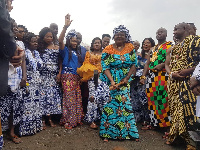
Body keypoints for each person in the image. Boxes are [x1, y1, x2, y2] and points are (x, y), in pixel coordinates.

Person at [99, 25, 139, 142]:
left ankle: (130, 133)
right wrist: (112, 82)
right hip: (111, 78)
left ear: (126, 36)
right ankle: (108, 134)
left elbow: (133, 64)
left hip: (125, 80)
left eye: (122, 34)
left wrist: (127, 78)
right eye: (117, 34)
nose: (119, 36)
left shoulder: (130, 47)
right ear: (114, 36)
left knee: (124, 104)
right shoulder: (108, 49)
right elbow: (105, 67)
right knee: (110, 104)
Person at [165, 22, 200, 150]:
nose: (173, 31)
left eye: (176, 29)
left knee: (186, 110)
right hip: (173, 81)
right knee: (175, 110)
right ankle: (176, 137)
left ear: (185, 29)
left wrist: (188, 71)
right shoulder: (173, 48)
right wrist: (172, 74)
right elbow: (167, 65)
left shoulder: (195, 42)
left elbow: (198, 62)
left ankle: (190, 141)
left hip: (187, 81)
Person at [140, 28, 172, 133]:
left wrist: (162, 64)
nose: (159, 34)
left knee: (162, 99)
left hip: (163, 75)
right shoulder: (153, 49)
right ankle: (154, 123)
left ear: (166, 34)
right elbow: (147, 64)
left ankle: (166, 126)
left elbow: (172, 60)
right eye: (157, 32)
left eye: (161, 32)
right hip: (151, 77)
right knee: (152, 100)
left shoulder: (170, 45)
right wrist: (143, 77)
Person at [77, 37, 109, 129]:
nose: (97, 44)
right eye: (95, 43)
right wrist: (94, 71)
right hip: (92, 78)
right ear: (92, 44)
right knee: (92, 97)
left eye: (99, 43)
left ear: (101, 44)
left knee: (103, 97)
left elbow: (107, 65)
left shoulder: (105, 54)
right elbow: (86, 65)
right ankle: (92, 120)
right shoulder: (88, 54)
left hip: (103, 78)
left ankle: (103, 119)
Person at [59, 14, 84, 129]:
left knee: (76, 98)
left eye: (76, 41)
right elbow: (60, 40)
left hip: (76, 77)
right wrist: (65, 27)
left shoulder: (77, 52)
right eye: (73, 41)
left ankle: (77, 119)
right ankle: (69, 120)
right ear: (69, 40)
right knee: (69, 99)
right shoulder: (65, 50)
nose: (75, 43)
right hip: (67, 76)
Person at [19, 32, 43, 136]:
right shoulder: (25, 53)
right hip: (28, 81)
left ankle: (35, 127)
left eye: (36, 42)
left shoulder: (36, 54)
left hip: (36, 82)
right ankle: (26, 129)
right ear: (27, 42)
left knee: (35, 105)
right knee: (27, 105)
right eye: (33, 41)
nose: (35, 43)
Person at [38, 27, 62, 130]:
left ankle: (50, 118)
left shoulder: (56, 47)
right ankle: (43, 119)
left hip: (53, 76)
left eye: (51, 36)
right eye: (47, 36)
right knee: (43, 97)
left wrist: (60, 73)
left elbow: (60, 61)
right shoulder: (39, 47)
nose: (49, 38)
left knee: (52, 97)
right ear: (43, 36)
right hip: (43, 76)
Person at [130, 38, 154, 124]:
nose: (145, 44)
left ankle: (146, 119)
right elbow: (135, 66)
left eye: (148, 43)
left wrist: (143, 77)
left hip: (146, 78)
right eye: (144, 43)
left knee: (144, 98)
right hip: (135, 79)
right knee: (135, 97)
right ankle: (137, 117)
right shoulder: (139, 55)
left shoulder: (153, 55)